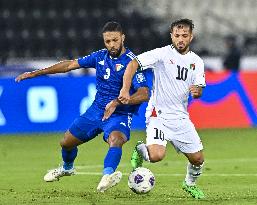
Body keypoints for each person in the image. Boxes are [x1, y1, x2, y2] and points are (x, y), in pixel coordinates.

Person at [15, 21, 149, 192]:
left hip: (119, 114)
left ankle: (107, 175)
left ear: (123, 38)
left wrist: (120, 102)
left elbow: (144, 93)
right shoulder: (100, 56)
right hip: (96, 111)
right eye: (107, 41)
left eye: (115, 40)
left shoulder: (132, 63)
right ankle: (67, 167)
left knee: (115, 140)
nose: (112, 45)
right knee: (66, 143)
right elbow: (70, 65)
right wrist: (36, 73)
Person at [118, 18, 206, 199]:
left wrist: (197, 92)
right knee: (156, 156)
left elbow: (199, 88)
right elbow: (133, 63)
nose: (180, 39)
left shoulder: (197, 62)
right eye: (177, 36)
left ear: (191, 37)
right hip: (158, 114)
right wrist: (125, 89)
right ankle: (140, 149)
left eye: (184, 36)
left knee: (198, 160)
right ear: (171, 36)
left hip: (181, 118)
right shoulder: (162, 54)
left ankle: (189, 184)